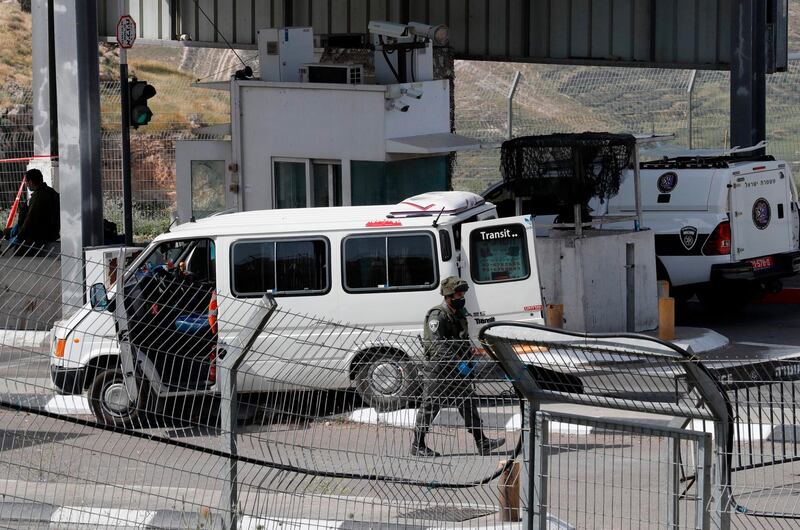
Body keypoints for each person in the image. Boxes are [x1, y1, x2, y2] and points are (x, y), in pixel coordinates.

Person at [411, 276, 506, 457]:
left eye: (463, 293)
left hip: (457, 368)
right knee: (430, 406)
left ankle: (482, 442)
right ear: (448, 295)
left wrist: (469, 355)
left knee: (468, 402)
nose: (461, 296)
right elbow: (438, 345)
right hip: (438, 369)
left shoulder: (459, 313)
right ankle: (418, 445)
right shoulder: (437, 315)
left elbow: (460, 340)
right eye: (458, 293)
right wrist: (457, 360)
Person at [7, 168, 60, 252]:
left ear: (31, 182)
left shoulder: (39, 197)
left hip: (39, 236)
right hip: (50, 232)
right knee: (9, 232)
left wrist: (19, 237)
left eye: (26, 182)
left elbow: (30, 220)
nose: (26, 185)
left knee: (14, 247)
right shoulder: (50, 192)